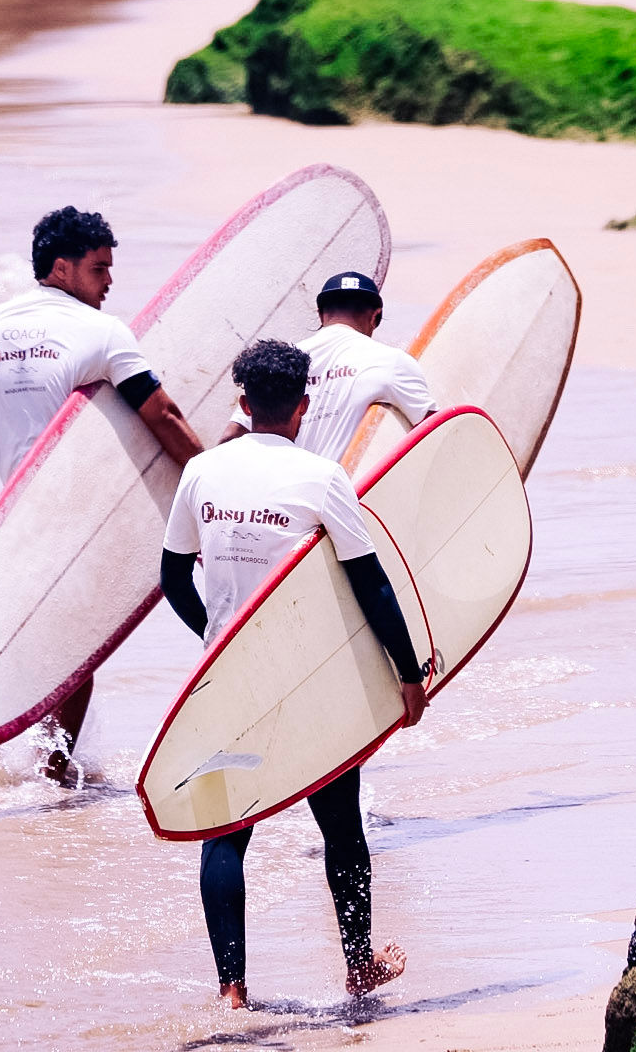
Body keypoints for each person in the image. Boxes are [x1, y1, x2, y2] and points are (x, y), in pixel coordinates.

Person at [160, 339, 430, 1009]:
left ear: (244, 404)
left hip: (228, 682)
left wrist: (217, 642)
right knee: (341, 829)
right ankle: (359, 965)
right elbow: (373, 587)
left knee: (226, 832)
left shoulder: (203, 472)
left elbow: (172, 578)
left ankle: (232, 989)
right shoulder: (322, 477)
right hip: (311, 682)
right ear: (304, 406)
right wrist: (408, 671)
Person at [0, 206, 206, 785]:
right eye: (99, 269)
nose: (110, 281)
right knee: (75, 640)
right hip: (79, 516)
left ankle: (42, 755)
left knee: (42, 633)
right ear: (62, 269)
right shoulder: (101, 332)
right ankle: (55, 768)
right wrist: (209, 483)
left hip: (11, 517)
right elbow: (161, 415)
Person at [220, 271, 436, 462]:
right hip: (345, 496)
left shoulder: (278, 362)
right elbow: (436, 433)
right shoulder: (392, 361)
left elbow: (231, 436)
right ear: (375, 315)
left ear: (320, 313)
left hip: (278, 496)